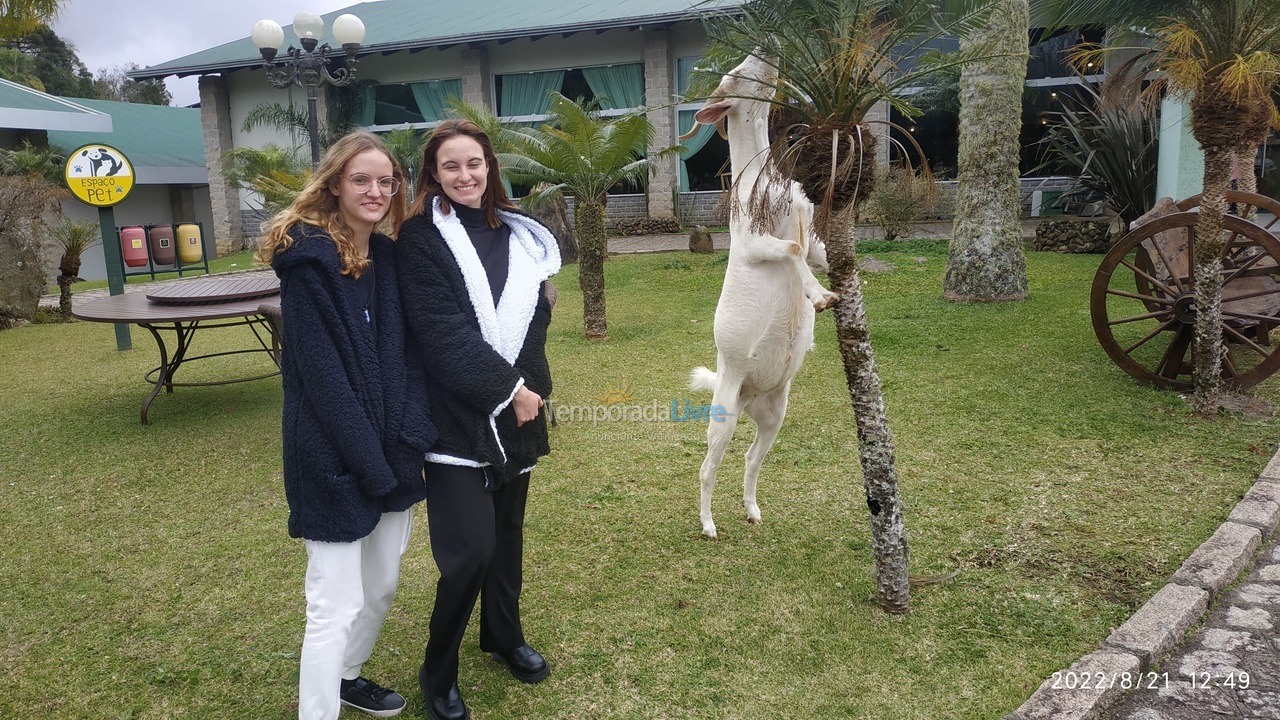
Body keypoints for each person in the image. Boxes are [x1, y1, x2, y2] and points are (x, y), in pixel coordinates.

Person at [257, 131, 437, 720]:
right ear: (335, 183)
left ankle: (347, 677)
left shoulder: (385, 260)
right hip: (332, 460)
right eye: (361, 179)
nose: (376, 191)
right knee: (333, 603)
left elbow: (409, 357)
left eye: (386, 181)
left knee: (381, 587)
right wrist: (369, 463)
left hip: (393, 456)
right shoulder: (308, 265)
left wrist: (407, 441)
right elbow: (324, 382)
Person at [395, 120, 561, 720]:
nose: (465, 176)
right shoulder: (419, 239)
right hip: (453, 420)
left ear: (489, 166)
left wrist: (531, 391)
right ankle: (438, 671)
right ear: (432, 176)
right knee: (469, 552)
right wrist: (509, 390)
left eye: (474, 163)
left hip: (520, 412)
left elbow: (533, 328)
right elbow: (441, 334)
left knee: (508, 538)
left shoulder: (519, 235)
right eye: (450, 167)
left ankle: (503, 635)